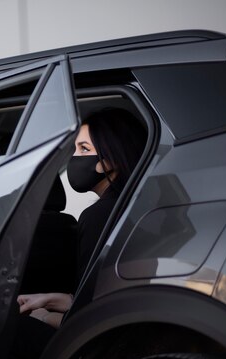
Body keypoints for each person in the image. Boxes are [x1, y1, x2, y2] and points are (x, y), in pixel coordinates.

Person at [17, 108, 146, 327]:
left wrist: (45, 316)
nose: (74, 158)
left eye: (83, 148)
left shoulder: (99, 216)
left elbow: (92, 317)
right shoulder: (136, 206)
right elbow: (101, 295)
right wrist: (55, 299)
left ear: (109, 161)